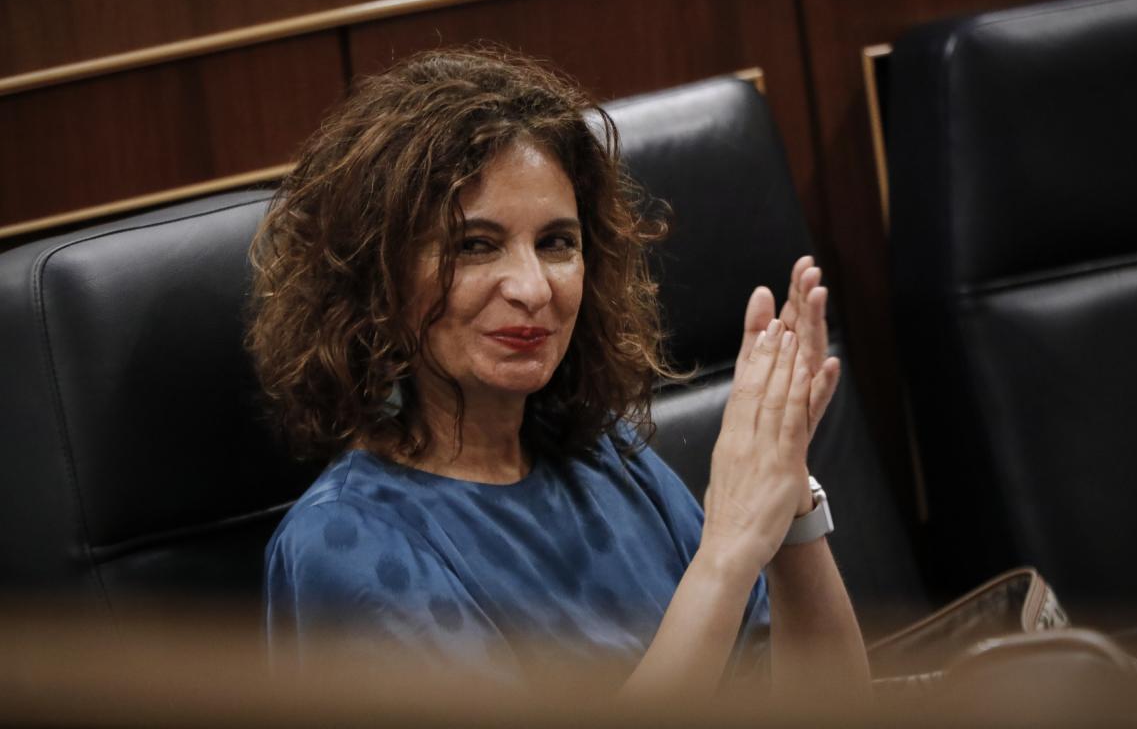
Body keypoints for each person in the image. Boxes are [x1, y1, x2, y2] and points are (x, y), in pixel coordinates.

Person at [249, 48, 870, 698]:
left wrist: (786, 498)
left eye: (556, 243)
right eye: (475, 245)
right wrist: (727, 554)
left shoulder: (608, 457)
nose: (533, 287)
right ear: (378, 278)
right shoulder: (342, 543)